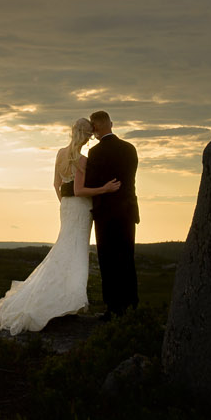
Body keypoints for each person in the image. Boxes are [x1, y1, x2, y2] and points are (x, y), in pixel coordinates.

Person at [0, 118, 121, 335]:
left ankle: (61, 299)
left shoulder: (61, 153)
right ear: (85, 135)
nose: (90, 138)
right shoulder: (81, 159)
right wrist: (105, 189)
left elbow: (56, 185)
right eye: (89, 135)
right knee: (76, 252)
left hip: (67, 207)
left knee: (64, 249)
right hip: (79, 207)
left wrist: (65, 204)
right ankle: (64, 302)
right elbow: (79, 190)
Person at [80, 110, 139, 315]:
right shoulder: (130, 148)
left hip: (106, 213)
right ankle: (132, 305)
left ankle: (113, 308)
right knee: (127, 258)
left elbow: (91, 183)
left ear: (96, 128)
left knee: (108, 260)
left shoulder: (96, 153)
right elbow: (130, 179)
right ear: (111, 124)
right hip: (128, 211)